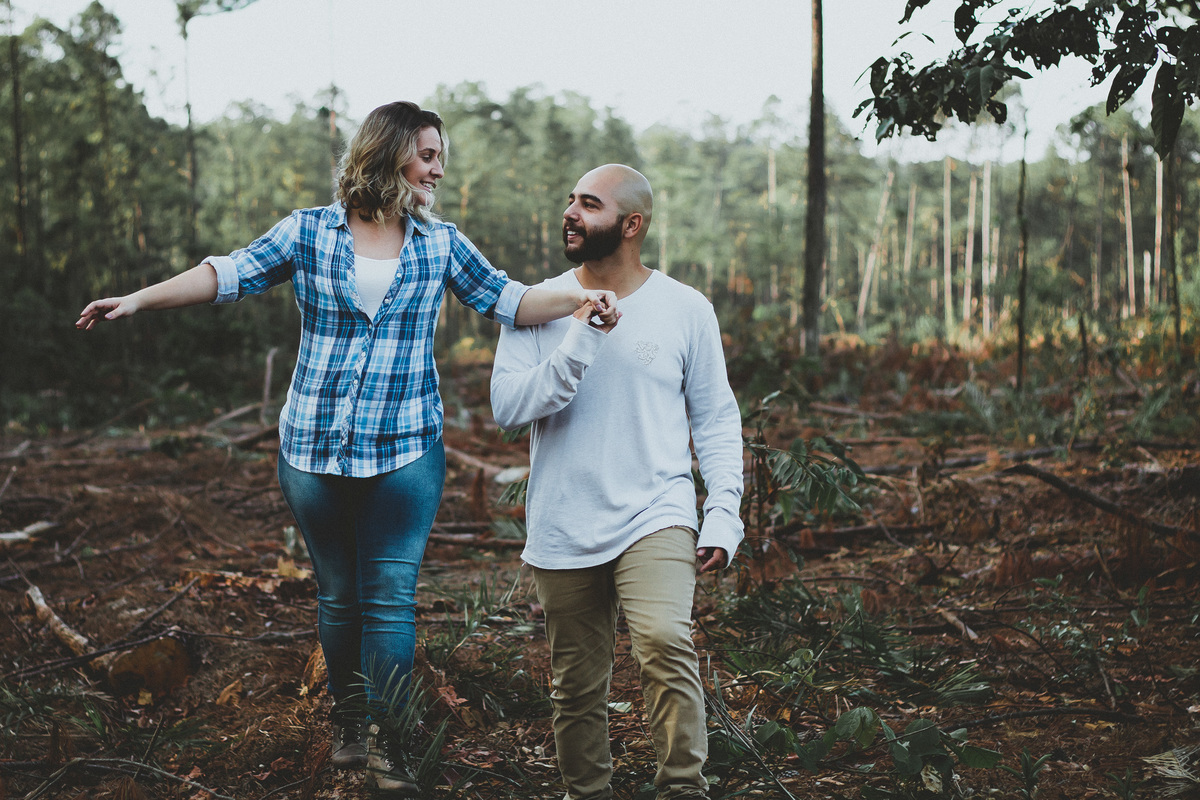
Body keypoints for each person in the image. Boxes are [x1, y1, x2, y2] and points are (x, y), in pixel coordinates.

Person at [76, 101, 618, 798]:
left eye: (440, 156)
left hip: (405, 452)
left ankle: (391, 748)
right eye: (427, 154)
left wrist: (582, 300)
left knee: (390, 599)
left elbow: (509, 300)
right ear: (389, 153)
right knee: (339, 598)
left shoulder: (441, 243)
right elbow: (227, 274)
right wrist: (137, 300)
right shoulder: (308, 232)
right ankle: (349, 724)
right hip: (313, 450)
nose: (438, 168)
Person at [490, 164, 745, 800]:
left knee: (663, 640)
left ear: (631, 225)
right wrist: (579, 337)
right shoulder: (533, 304)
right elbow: (508, 409)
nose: (571, 213)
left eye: (590, 205)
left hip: (656, 510)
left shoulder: (685, 308)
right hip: (564, 517)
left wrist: (724, 511)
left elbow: (715, 418)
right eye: (571, 200)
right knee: (576, 682)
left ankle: (684, 787)